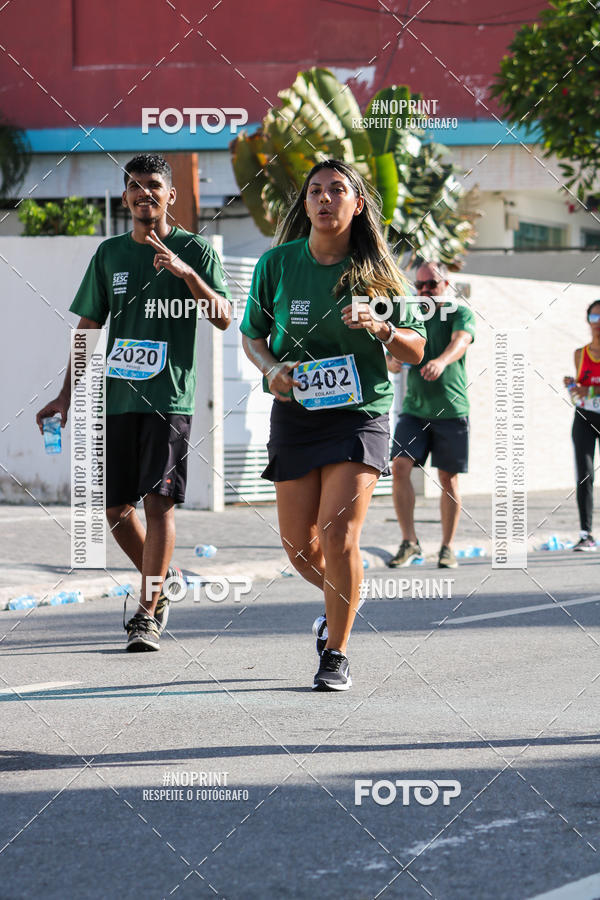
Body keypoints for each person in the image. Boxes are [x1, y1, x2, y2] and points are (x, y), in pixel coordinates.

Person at [240, 159, 425, 691]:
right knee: (299, 546)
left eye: (337, 190)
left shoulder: (379, 276)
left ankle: (336, 652)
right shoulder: (276, 265)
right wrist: (272, 369)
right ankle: (339, 604)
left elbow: (415, 347)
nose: (325, 199)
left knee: (338, 534)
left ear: (357, 203)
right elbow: (253, 335)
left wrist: (383, 326)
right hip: (297, 414)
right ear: (305, 204)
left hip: (359, 413)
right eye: (315, 191)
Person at [36, 153, 232, 650]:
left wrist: (187, 272)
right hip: (118, 400)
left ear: (170, 195)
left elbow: (225, 317)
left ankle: (147, 612)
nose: (145, 193)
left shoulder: (196, 249)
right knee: (116, 508)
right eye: (136, 186)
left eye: (154, 185)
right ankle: (161, 582)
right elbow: (87, 330)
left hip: (169, 399)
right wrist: (63, 396)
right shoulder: (109, 255)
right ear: (125, 197)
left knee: (158, 501)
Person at [387, 262, 475, 569]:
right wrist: (392, 361)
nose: (425, 290)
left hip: (451, 410)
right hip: (414, 410)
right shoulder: (412, 314)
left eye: (431, 285)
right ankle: (409, 541)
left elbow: (460, 342)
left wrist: (440, 361)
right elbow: (396, 346)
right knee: (399, 467)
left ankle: (447, 547)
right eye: (419, 285)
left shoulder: (459, 313)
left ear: (446, 285)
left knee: (447, 480)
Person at [563, 300, 600, 551]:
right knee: (584, 474)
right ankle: (586, 533)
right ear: (588, 322)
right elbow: (578, 395)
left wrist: (592, 388)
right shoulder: (580, 354)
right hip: (585, 418)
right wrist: (572, 388)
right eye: (594, 319)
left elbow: (591, 388)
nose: (598, 325)